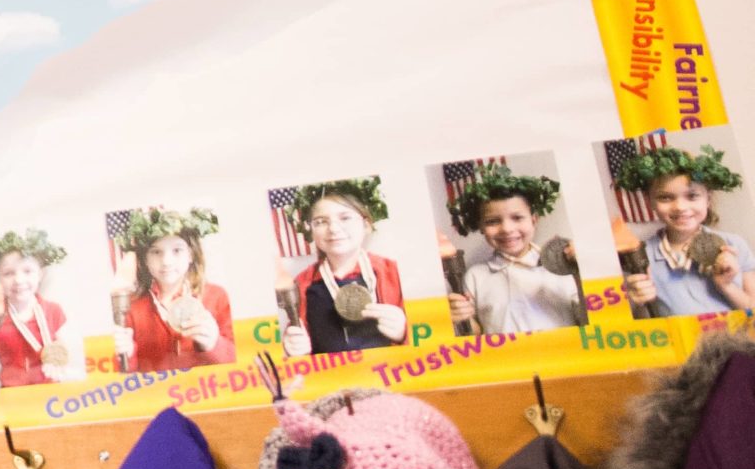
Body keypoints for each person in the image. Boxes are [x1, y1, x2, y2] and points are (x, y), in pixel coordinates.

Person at [615, 143, 755, 317]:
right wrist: (634, 300)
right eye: (665, 197)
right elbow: (629, 321)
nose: (680, 207)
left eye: (692, 196)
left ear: (708, 199)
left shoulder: (735, 244)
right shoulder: (639, 257)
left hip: (735, 341)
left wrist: (726, 286)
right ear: (650, 201)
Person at [444, 165, 586, 335]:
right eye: (492, 221)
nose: (506, 228)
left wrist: (581, 275)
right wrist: (461, 317)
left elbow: (588, 320)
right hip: (506, 360)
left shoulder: (565, 268)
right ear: (481, 227)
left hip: (565, 357)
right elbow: (476, 334)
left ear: (534, 220)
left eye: (517, 218)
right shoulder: (476, 275)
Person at [286, 179, 409, 354]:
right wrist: (294, 347)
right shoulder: (301, 283)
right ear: (311, 229)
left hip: (389, 376)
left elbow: (430, 336)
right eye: (321, 221)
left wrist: (405, 332)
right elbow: (296, 337)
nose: (334, 228)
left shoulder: (394, 273)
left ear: (366, 224)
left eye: (345, 217)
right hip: (331, 378)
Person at [120, 208, 235, 372]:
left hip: (206, 391)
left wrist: (214, 344)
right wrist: (127, 355)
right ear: (144, 259)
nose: (166, 261)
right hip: (157, 394)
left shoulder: (217, 296)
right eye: (156, 251)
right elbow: (125, 380)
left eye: (177, 250)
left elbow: (241, 361)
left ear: (191, 255)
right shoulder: (130, 307)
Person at [0, 230, 79, 387]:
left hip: (52, 393)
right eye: (8, 273)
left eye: (27, 271)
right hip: (13, 398)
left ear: (40, 274)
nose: (19, 280)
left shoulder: (53, 311)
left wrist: (61, 365)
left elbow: (67, 355)